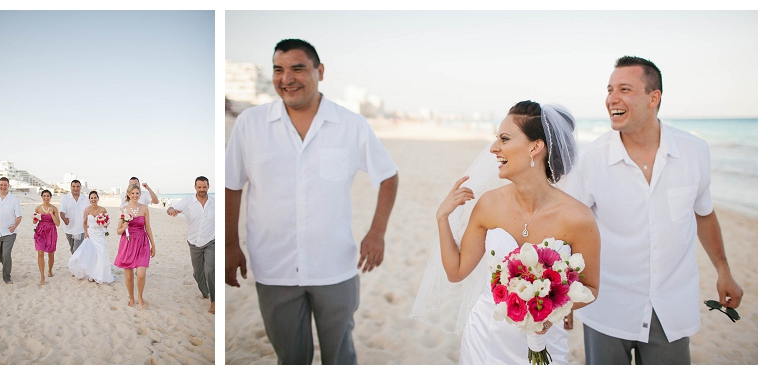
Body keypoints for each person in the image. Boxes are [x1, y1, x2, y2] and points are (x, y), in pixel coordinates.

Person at [225, 38, 399, 365]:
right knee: (291, 359)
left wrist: (377, 233)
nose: (286, 78)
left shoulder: (351, 125)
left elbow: (388, 175)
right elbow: (231, 185)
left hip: (335, 266)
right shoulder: (250, 124)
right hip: (273, 265)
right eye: (278, 69)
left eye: (297, 68)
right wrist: (230, 244)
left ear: (320, 71)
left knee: (339, 356)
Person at [561, 56, 744, 365]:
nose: (612, 99)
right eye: (609, 89)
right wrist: (565, 291)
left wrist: (723, 270)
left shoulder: (694, 152)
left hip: (671, 308)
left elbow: (704, 213)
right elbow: (569, 228)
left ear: (653, 98)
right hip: (606, 306)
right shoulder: (590, 159)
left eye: (624, 89)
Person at [412, 100, 600, 365]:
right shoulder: (488, 204)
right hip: (486, 338)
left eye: (504, 138)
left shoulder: (578, 217)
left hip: (546, 341)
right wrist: (442, 218)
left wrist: (550, 306)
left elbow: (591, 288)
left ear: (535, 147)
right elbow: (456, 272)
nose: (493, 148)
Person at [167, 176, 215, 314]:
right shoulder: (188, 202)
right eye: (199, 187)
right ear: (195, 187)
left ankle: (214, 301)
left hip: (211, 241)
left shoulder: (215, 202)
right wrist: (171, 211)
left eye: (204, 187)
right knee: (198, 272)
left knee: (210, 270)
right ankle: (204, 291)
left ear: (208, 187)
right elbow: (171, 208)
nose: (202, 189)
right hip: (194, 243)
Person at [114, 184, 156, 308]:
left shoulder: (144, 208)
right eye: (132, 193)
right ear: (128, 194)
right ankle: (132, 298)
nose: (135, 195)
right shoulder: (124, 210)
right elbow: (118, 231)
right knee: (129, 276)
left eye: (137, 193)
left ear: (140, 194)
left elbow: (148, 227)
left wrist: (153, 244)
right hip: (128, 243)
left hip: (142, 242)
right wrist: (123, 227)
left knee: (141, 274)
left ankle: (140, 297)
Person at [67, 190, 114, 284]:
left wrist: (105, 223)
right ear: (89, 199)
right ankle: (92, 274)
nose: (93, 199)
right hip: (91, 234)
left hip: (100, 234)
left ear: (98, 198)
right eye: (91, 198)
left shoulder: (103, 210)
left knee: (101, 253)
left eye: (95, 197)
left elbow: (106, 224)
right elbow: (84, 222)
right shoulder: (87, 210)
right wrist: (85, 233)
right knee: (92, 254)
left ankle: (100, 274)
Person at [0, 177, 23, 284]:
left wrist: (14, 226)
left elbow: (19, 216)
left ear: (8, 186)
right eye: (1, 185)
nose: (3, 187)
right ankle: (7, 265)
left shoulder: (14, 200)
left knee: (6, 254)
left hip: (9, 232)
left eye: (5, 185)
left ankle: (6, 276)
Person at [34, 189, 60, 285]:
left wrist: (51, 214)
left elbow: (58, 224)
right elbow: (34, 222)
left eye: (48, 196)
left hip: (51, 232)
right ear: (42, 197)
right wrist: (35, 219)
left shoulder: (54, 208)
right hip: (40, 232)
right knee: (40, 253)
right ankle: (42, 276)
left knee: (51, 254)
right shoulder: (38, 208)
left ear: (50, 197)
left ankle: (50, 270)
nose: (46, 198)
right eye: (44, 196)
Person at [59, 180, 90, 254]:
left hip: (81, 228)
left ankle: (76, 264)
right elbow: (62, 211)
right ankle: (75, 263)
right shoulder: (65, 198)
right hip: (69, 229)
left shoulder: (85, 199)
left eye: (77, 186)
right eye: (73, 186)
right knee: (72, 248)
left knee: (77, 249)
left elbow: (89, 212)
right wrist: (64, 219)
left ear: (80, 187)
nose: (75, 188)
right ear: (70, 187)